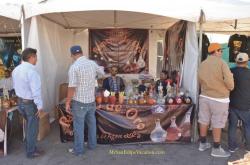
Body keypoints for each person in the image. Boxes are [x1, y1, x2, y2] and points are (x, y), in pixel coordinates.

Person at [65, 45, 104, 156]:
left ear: (72, 55)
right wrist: (93, 78)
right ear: (82, 52)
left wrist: (67, 102)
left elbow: (71, 87)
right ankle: (92, 145)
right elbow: (102, 73)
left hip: (79, 102)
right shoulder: (92, 63)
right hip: (91, 101)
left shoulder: (74, 67)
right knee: (92, 124)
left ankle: (79, 150)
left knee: (79, 127)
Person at [198, 43, 234, 157]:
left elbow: (199, 79)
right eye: (220, 51)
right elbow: (230, 82)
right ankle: (216, 149)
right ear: (216, 51)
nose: (222, 53)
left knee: (203, 120)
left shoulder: (203, 63)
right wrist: (230, 87)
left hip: (204, 96)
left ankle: (202, 144)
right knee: (217, 122)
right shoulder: (222, 63)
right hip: (219, 98)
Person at [12, 48, 44, 158]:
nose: (37, 59)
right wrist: (40, 106)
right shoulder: (32, 72)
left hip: (20, 102)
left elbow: (15, 86)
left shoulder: (16, 70)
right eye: (36, 57)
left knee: (29, 126)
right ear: (31, 58)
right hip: (30, 104)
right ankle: (31, 151)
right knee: (32, 128)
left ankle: (30, 147)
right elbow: (36, 91)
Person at [228, 52, 250, 152]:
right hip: (246, 105)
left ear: (236, 61)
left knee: (232, 126)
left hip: (232, 103)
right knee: (247, 126)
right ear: (246, 62)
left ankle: (231, 147)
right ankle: (248, 146)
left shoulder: (230, 71)